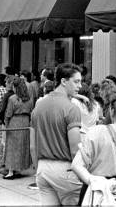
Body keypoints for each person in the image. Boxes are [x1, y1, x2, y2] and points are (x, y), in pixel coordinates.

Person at [31, 63, 83, 206]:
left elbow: (32, 146)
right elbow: (75, 149)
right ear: (63, 81)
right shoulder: (71, 109)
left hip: (43, 168)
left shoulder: (39, 106)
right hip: (65, 169)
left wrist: (38, 168)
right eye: (76, 81)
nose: (80, 86)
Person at [3, 77, 34, 179]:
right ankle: (19, 168)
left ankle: (11, 170)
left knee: (12, 147)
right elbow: (31, 111)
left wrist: (6, 124)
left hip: (15, 122)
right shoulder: (29, 98)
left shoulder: (12, 99)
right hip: (25, 122)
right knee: (22, 146)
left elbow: (8, 114)